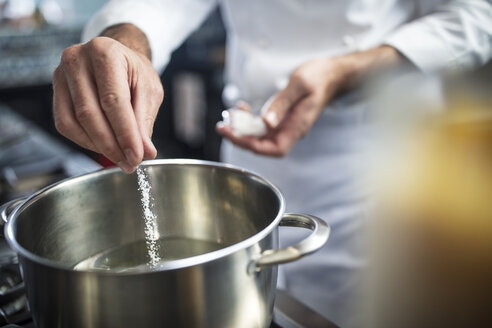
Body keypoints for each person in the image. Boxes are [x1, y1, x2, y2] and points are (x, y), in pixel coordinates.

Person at [52, 1, 492, 326]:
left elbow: (477, 18)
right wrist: (125, 42)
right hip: (248, 162)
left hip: (378, 172)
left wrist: (348, 71)